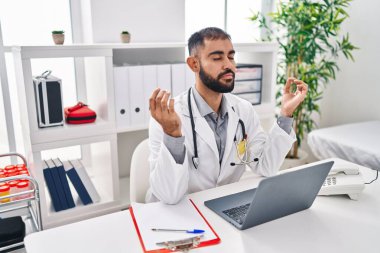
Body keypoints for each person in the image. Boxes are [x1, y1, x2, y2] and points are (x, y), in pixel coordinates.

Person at [146, 27, 308, 204]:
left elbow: (266, 166)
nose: (229, 65)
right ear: (194, 64)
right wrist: (172, 135)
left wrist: (286, 114)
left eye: (231, 57)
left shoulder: (243, 110)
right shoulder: (168, 118)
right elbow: (169, 196)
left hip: (223, 207)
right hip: (179, 215)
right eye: (217, 58)